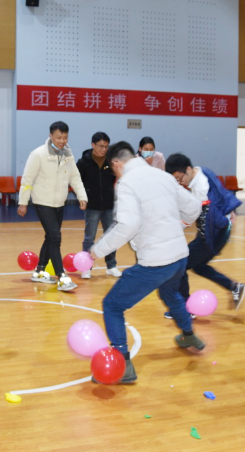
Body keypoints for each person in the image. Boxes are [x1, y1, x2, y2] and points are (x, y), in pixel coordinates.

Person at [90, 142, 203, 384]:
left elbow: (127, 226)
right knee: (170, 294)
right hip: (179, 256)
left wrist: (97, 250)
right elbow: (194, 207)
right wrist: (179, 225)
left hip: (156, 261)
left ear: (117, 163)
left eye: (113, 169)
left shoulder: (127, 183)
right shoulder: (163, 176)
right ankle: (189, 335)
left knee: (112, 305)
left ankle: (122, 364)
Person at [165, 153, 245, 315]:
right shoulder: (203, 171)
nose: (180, 183)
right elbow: (222, 193)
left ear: (188, 170)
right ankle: (234, 287)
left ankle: (185, 308)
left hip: (212, 236)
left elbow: (211, 214)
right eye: (176, 180)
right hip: (216, 233)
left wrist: (225, 220)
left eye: (180, 178)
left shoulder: (201, 188)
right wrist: (229, 211)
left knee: (180, 265)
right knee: (199, 267)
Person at [18, 121, 87, 291]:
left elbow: (75, 177)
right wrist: (23, 202)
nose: (62, 141)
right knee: (55, 237)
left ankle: (39, 271)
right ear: (50, 136)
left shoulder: (68, 155)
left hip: (59, 203)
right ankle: (62, 276)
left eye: (65, 137)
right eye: (58, 137)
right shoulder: (38, 154)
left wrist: (82, 196)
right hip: (42, 202)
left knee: (50, 237)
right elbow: (27, 180)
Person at [76, 132, 122, 279]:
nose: (103, 149)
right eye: (100, 146)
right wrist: (82, 198)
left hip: (109, 206)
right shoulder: (83, 162)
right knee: (89, 238)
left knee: (111, 237)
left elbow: (117, 178)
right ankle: (86, 267)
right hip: (92, 206)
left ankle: (111, 266)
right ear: (93, 145)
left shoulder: (111, 161)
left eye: (106, 146)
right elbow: (76, 182)